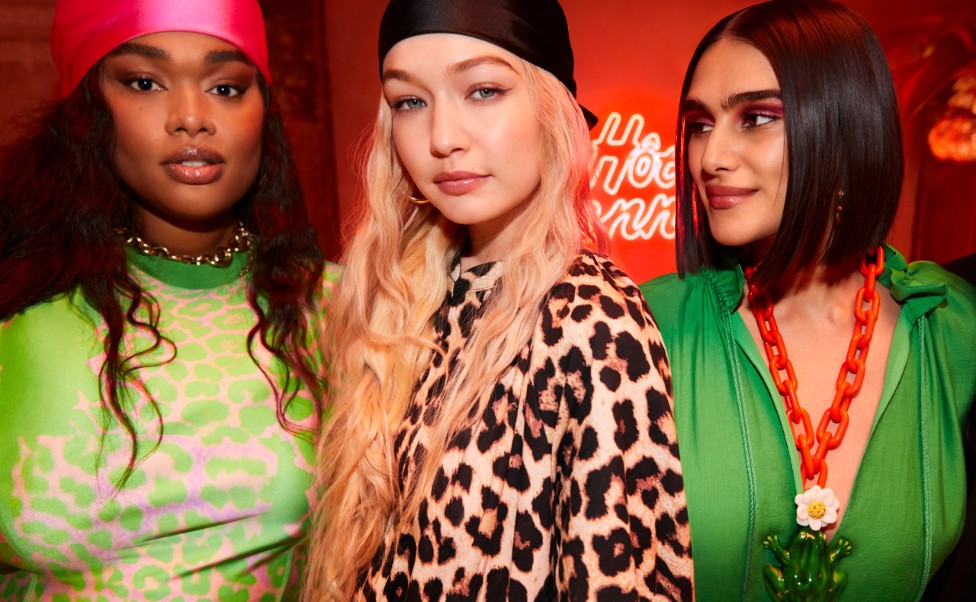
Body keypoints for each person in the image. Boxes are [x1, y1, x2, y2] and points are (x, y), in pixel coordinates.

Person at [304, 0, 694, 600]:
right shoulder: (405, 298)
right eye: (409, 101)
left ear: (551, 108)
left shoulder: (591, 320)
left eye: (483, 91)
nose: (442, 138)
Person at [0, 0, 339, 599]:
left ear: (264, 111)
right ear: (87, 108)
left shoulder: (341, 311)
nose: (191, 118)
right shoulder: (16, 310)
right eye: (144, 83)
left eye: (226, 88)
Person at [640, 1, 976, 600]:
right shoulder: (646, 325)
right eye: (699, 124)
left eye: (756, 117)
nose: (710, 157)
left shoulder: (952, 327)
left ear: (845, 129)